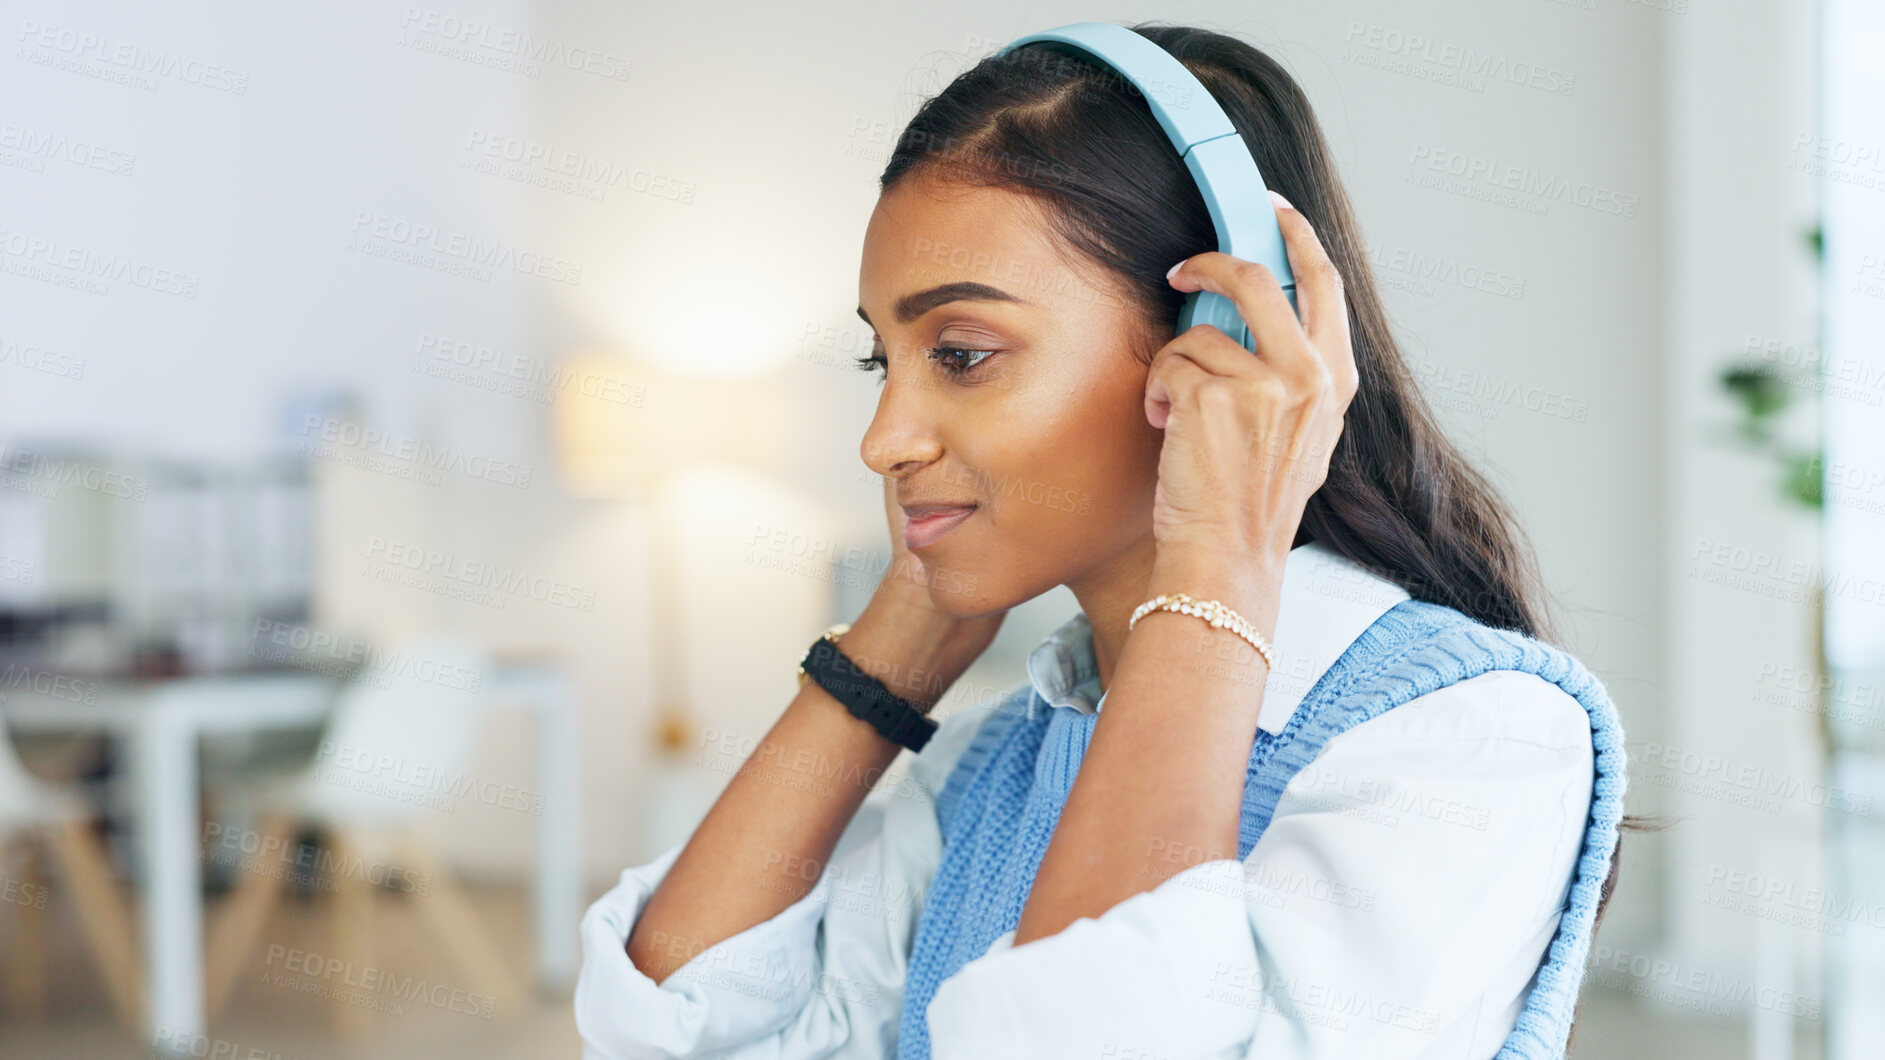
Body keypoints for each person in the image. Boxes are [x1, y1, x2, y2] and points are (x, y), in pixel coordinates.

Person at [574, 21, 1624, 1060]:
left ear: (1223, 344)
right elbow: (678, 1025)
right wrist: (896, 643)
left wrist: (1217, 545)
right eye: (879, 361)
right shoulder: (998, 763)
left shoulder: (1469, 740)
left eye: (963, 352)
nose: (882, 440)